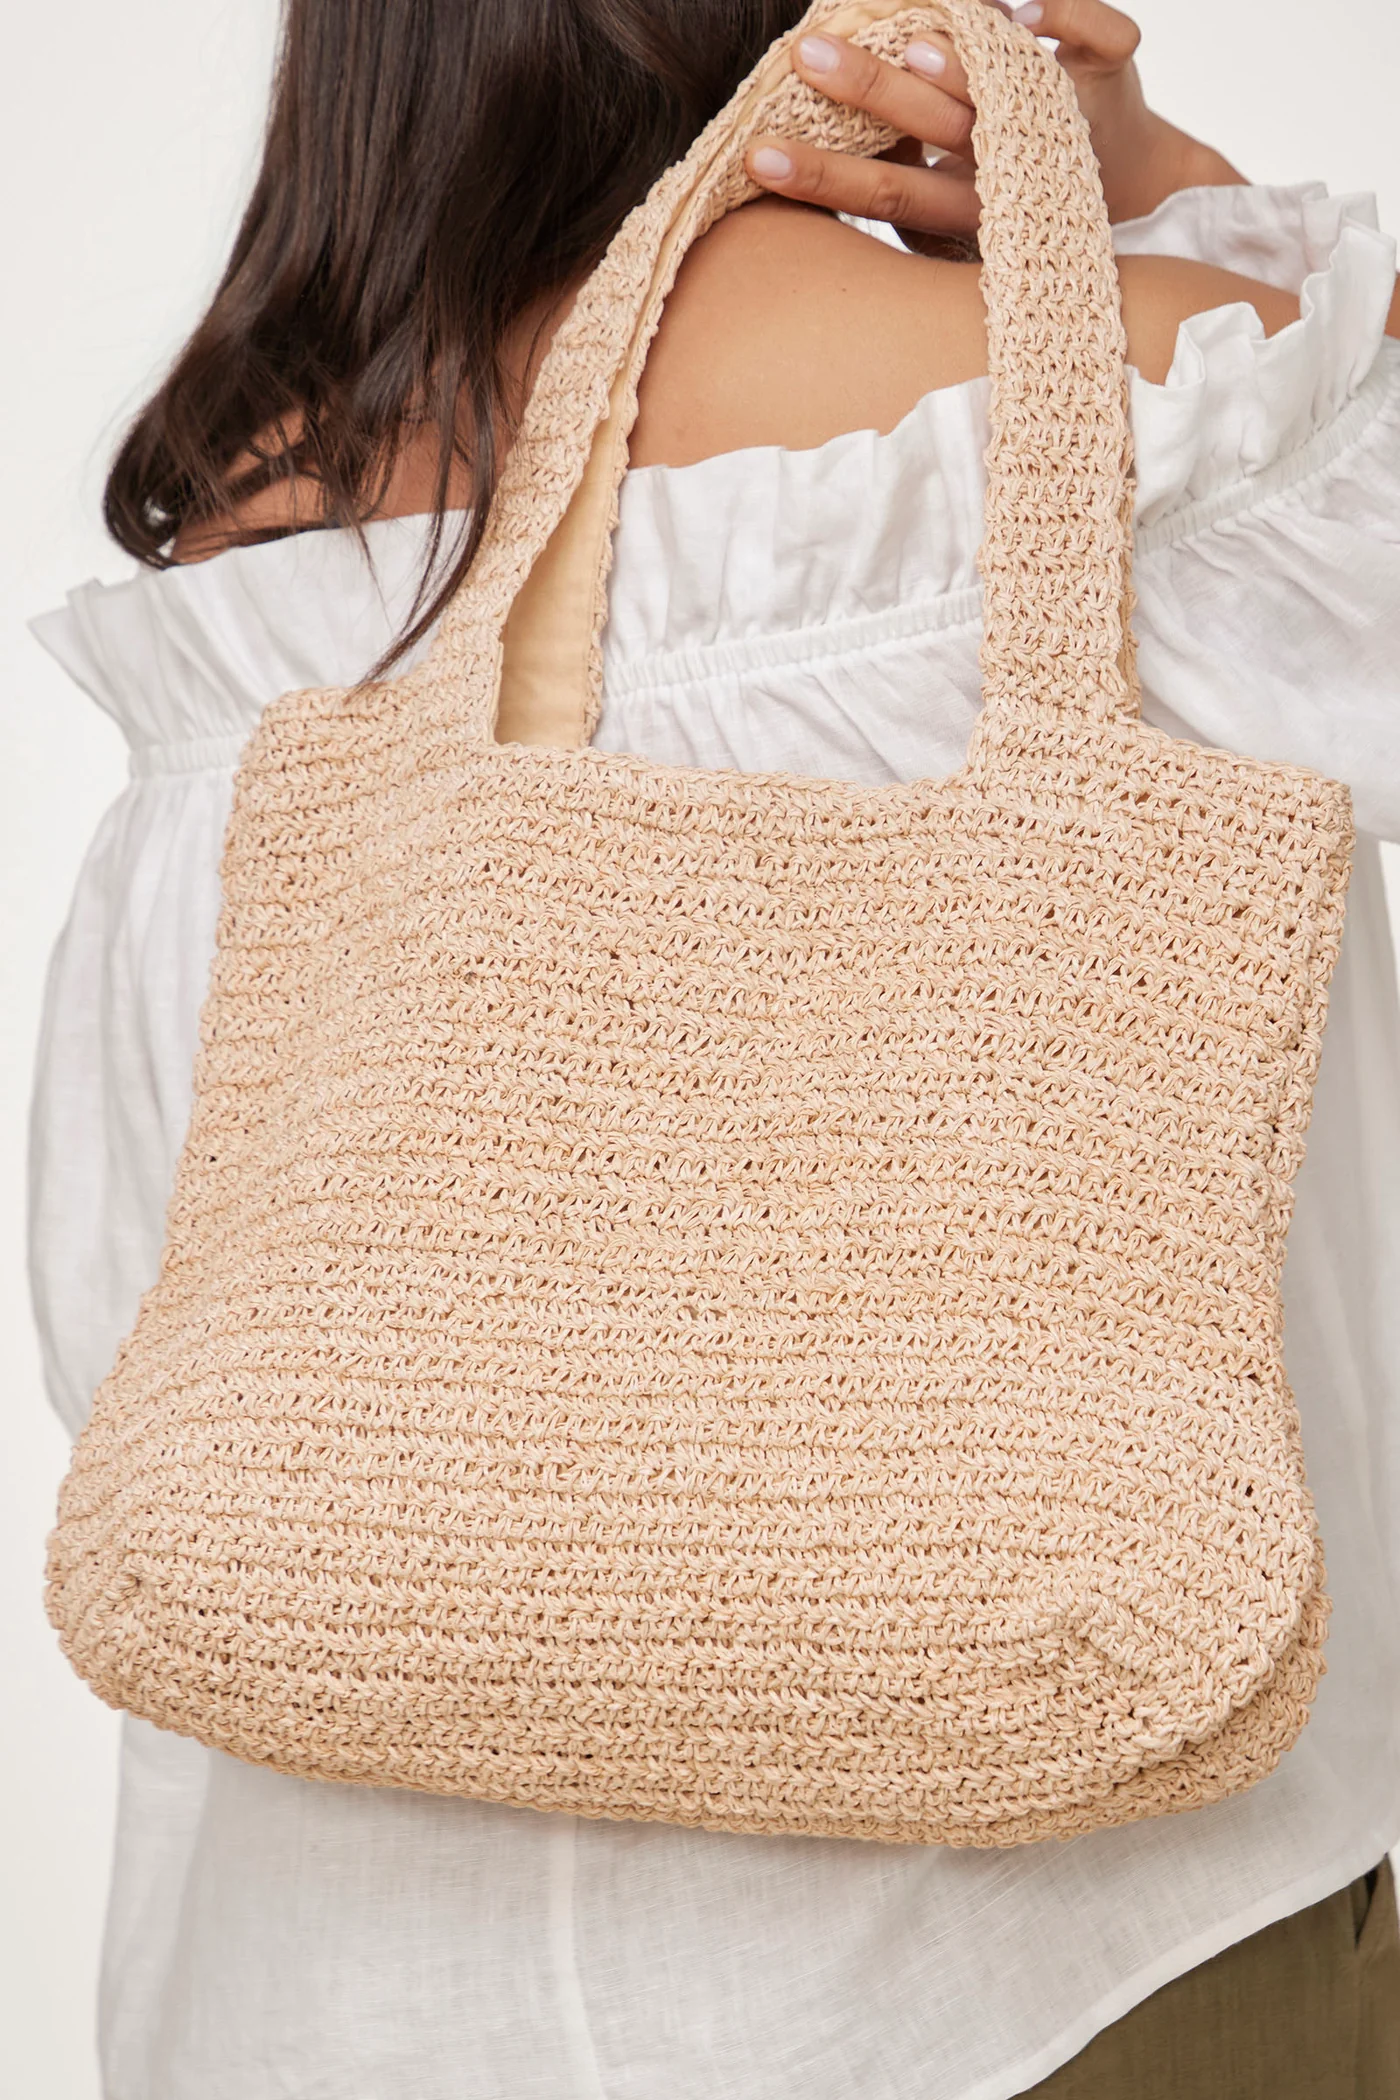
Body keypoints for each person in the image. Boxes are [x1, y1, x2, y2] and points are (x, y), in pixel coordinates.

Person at [28, 2, 1400, 2094]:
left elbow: (128, 1337)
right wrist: (1157, 187)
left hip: (319, 2019)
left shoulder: (241, 581)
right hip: (1036, 1989)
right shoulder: (1128, 403)